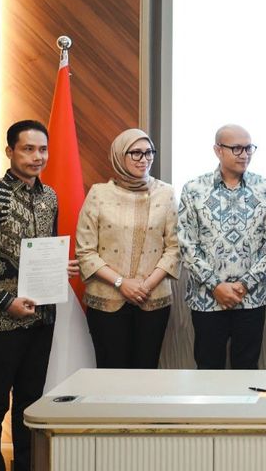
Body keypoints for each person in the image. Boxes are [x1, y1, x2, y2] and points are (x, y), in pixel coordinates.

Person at [0, 120, 75, 471]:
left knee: (31, 401)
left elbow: (43, 250)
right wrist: (7, 302)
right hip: (0, 320)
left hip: (41, 317)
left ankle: (27, 465)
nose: (38, 157)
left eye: (43, 149)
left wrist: (59, 267)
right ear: (10, 151)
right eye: (28, 149)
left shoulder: (50, 196)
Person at [177, 124, 266, 370]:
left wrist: (244, 285)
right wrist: (216, 285)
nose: (244, 154)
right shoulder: (194, 190)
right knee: (208, 369)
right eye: (236, 149)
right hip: (207, 298)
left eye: (248, 148)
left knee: (247, 370)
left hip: (251, 298)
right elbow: (186, 244)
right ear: (218, 150)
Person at [75, 128, 180, 369]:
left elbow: (174, 248)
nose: (144, 159)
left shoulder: (166, 193)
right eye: (135, 153)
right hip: (106, 299)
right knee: (111, 371)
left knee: (146, 371)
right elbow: (85, 251)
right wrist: (122, 283)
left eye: (149, 152)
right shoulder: (99, 194)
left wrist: (146, 286)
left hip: (152, 299)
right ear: (119, 155)